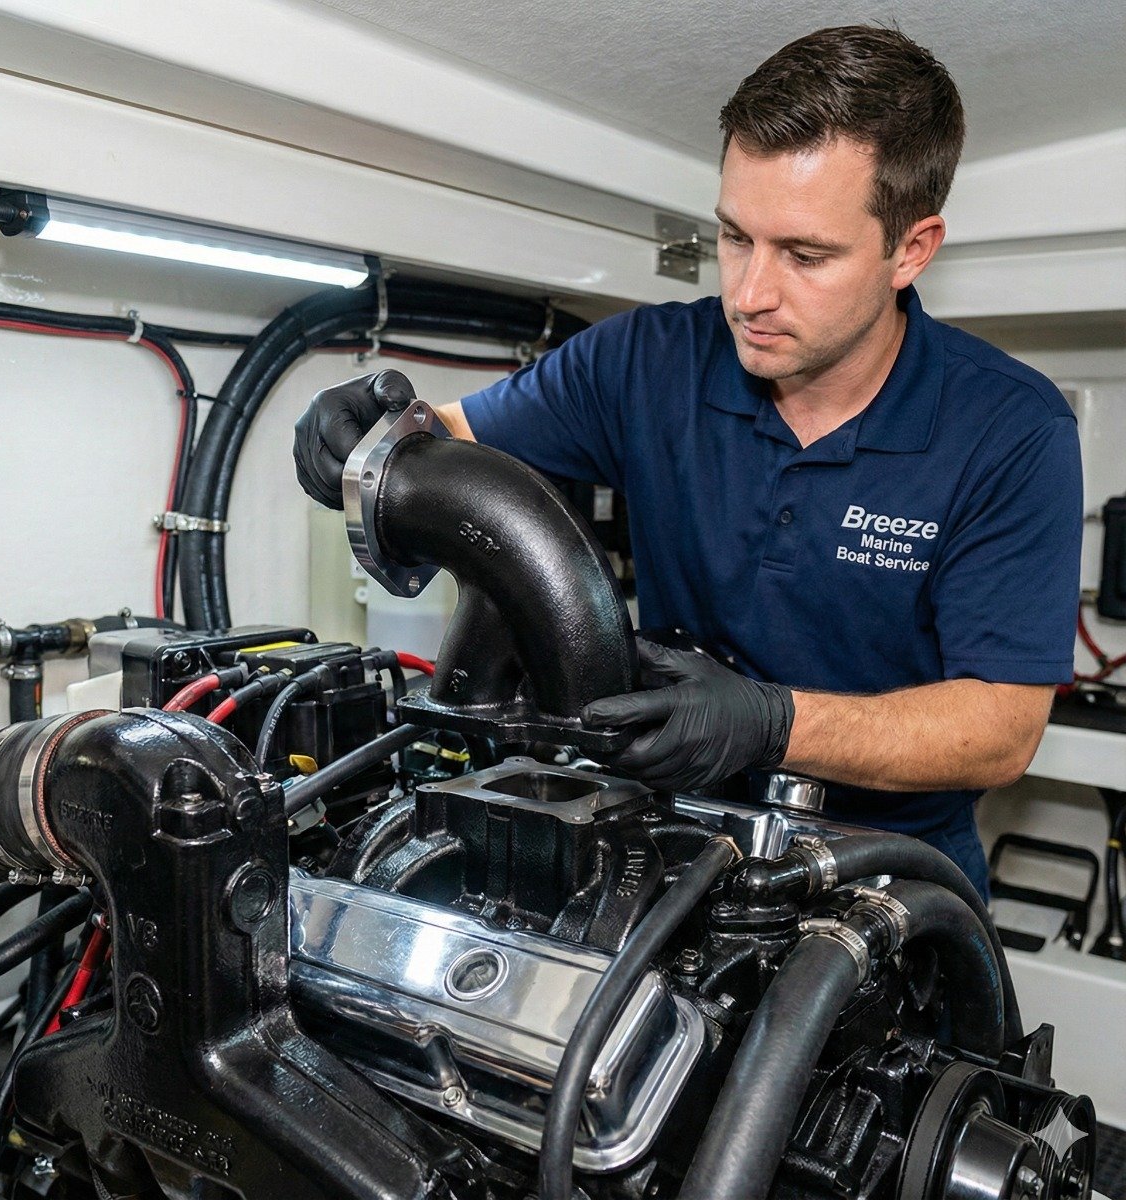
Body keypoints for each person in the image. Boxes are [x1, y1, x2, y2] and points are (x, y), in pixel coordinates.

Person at [293, 26, 1083, 898]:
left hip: (891, 885)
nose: (749, 295)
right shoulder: (644, 360)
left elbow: (1000, 727)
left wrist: (771, 724)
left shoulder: (1009, 428)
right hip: (674, 851)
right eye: (736, 237)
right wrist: (366, 436)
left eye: (806, 255)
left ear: (912, 249)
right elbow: (452, 440)